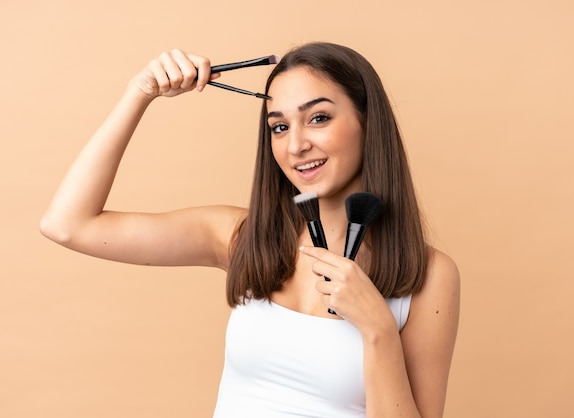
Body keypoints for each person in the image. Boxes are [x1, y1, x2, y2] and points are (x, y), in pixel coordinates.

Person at [40, 42, 460, 418]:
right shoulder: (243, 237)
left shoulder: (428, 275)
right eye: (279, 126)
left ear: (368, 123)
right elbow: (67, 225)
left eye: (318, 118)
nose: (295, 145)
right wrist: (140, 93)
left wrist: (378, 329)